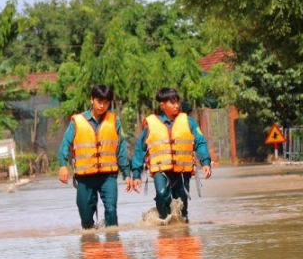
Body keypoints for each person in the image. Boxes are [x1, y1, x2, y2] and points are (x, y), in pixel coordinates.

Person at [131, 87, 212, 223]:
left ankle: (183, 232)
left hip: (182, 171)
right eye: (172, 103)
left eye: (177, 102)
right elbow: (140, 149)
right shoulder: (151, 125)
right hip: (161, 171)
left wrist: (205, 162)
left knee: (182, 205)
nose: (176, 105)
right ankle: (163, 224)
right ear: (162, 105)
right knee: (162, 194)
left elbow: (200, 142)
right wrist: (136, 174)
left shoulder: (189, 122)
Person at [58, 84, 132, 229]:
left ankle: (113, 242)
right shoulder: (77, 122)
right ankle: (91, 244)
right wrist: (62, 165)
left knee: (111, 210)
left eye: (106, 102)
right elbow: (65, 144)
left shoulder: (114, 121)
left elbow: (121, 148)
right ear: (92, 100)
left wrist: (127, 174)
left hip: (108, 176)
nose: (102, 105)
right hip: (85, 177)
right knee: (85, 215)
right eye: (99, 101)